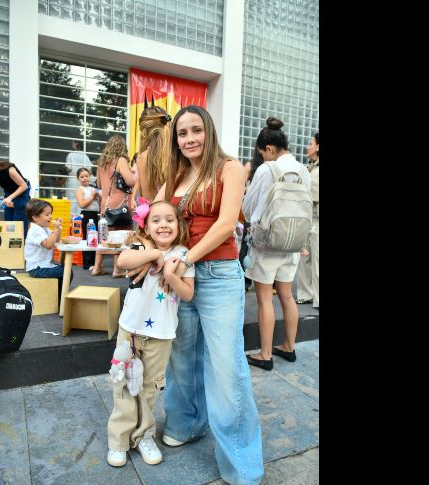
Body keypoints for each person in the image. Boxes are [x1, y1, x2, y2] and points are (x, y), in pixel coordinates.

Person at [152, 105, 264, 485]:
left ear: (208, 131)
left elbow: (227, 224)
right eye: (182, 134)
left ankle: (242, 463)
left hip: (216, 275)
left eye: (196, 130)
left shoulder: (229, 167)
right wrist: (156, 254)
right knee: (181, 357)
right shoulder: (177, 174)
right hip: (181, 274)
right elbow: (155, 216)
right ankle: (186, 425)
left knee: (226, 366)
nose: (190, 139)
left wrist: (185, 260)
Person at [106, 201, 195, 467]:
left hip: (162, 334)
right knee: (122, 384)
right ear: (145, 225)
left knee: (149, 388)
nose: (164, 225)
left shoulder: (183, 254)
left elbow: (188, 294)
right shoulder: (140, 245)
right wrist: (154, 255)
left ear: (178, 226)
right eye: (156, 220)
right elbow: (123, 260)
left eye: (170, 219)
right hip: (130, 330)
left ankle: (144, 435)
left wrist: (170, 272)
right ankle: (119, 441)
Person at [242, 117, 311, 370]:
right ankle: (289, 347)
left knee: (263, 298)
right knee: (286, 296)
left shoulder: (266, 170)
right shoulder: (304, 170)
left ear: (269, 149)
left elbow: (248, 208)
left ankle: (266, 353)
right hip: (293, 242)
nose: (263, 157)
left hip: (267, 243)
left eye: (263, 153)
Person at [92, 135, 135, 277]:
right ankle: (118, 270)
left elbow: (98, 184)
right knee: (121, 234)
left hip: (105, 203)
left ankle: (97, 268)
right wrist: (134, 173)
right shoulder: (120, 160)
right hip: (119, 202)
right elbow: (130, 182)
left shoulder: (101, 163)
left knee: (104, 235)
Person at [24, 198, 70, 305]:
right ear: (35, 217)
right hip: (37, 268)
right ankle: (59, 298)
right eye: (47, 214)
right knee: (66, 272)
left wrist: (58, 229)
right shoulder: (35, 230)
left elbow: (56, 239)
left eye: (50, 214)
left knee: (63, 270)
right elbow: (49, 245)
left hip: (42, 266)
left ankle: (57, 295)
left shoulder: (42, 227)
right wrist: (56, 229)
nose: (50, 217)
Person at [295, 132, 319, 308]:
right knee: (305, 259)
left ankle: (317, 298)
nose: (307, 146)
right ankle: (305, 293)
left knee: (316, 260)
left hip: (316, 218)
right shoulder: (310, 167)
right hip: (307, 217)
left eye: (310, 143)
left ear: (318, 146)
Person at [132, 104, 172, 205]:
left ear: (144, 132)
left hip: (156, 215)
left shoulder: (142, 158)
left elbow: (147, 201)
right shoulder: (177, 153)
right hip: (181, 216)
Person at [239, 149, 265, 292]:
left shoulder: (251, 165)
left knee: (247, 247)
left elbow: (240, 187)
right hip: (259, 214)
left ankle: (245, 282)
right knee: (247, 247)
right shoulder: (252, 166)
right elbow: (240, 186)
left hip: (254, 213)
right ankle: (245, 280)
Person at [74, 167, 101, 270]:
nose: (85, 178)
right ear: (78, 179)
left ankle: (95, 263)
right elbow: (82, 204)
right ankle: (87, 264)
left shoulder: (92, 189)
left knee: (95, 239)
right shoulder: (80, 190)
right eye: (82, 177)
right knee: (87, 238)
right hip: (86, 215)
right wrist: (93, 196)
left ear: (90, 176)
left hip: (95, 215)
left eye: (86, 176)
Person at [0, 161, 31, 238]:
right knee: (8, 220)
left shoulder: (9, 170)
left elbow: (23, 186)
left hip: (22, 190)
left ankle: (21, 246)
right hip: (9, 191)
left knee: (18, 222)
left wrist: (9, 198)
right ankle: (10, 245)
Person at [65, 140, 92, 212]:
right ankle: (81, 217)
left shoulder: (70, 155)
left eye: (73, 143)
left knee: (72, 200)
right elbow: (90, 170)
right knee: (82, 198)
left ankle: (72, 219)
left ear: (76, 144)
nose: (72, 144)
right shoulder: (85, 156)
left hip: (73, 180)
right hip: (83, 180)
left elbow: (68, 169)